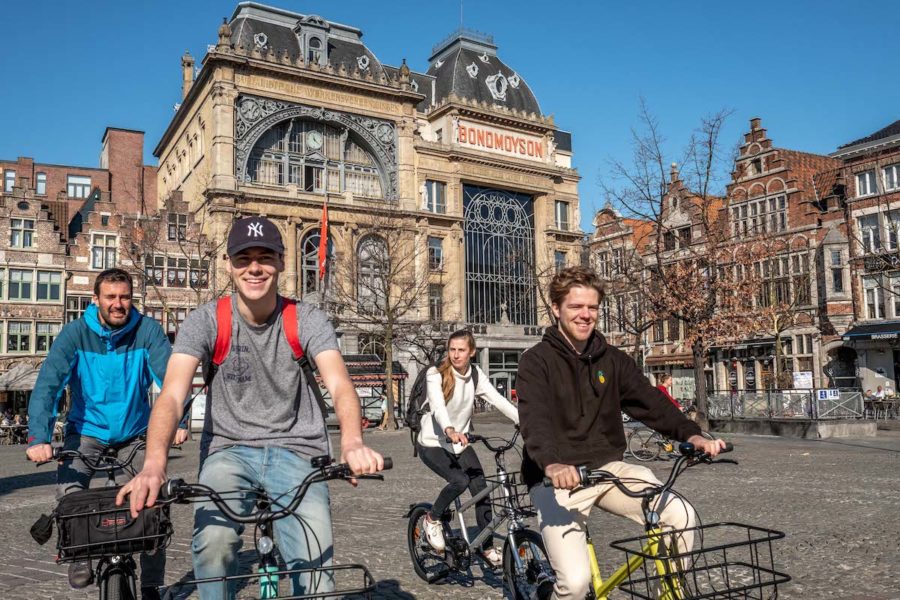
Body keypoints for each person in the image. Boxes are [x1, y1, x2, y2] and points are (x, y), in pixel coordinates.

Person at [118, 216, 384, 600]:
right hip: (228, 450)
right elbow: (172, 395)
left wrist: (352, 442)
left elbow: (340, 384)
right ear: (228, 264)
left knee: (315, 568)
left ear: (281, 262)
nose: (254, 268)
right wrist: (154, 465)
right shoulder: (206, 321)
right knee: (214, 543)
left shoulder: (306, 319)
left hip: (299, 450)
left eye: (265, 257)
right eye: (243, 258)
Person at [517, 266, 726, 600]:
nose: (585, 315)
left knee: (681, 514)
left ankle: (668, 594)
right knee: (575, 583)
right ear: (556, 308)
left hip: (607, 469)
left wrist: (692, 435)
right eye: (576, 306)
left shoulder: (612, 360)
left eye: (592, 307)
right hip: (555, 480)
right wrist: (552, 463)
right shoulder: (536, 361)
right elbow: (534, 419)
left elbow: (651, 402)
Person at [26, 268, 187, 600]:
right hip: (87, 432)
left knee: (154, 500)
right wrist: (39, 438)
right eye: (111, 297)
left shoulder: (147, 331)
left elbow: (171, 381)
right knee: (70, 492)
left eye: (125, 297)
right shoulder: (74, 334)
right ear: (95, 299)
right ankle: (79, 554)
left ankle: (151, 584)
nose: (118, 303)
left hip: (136, 433)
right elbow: (48, 386)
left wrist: (179, 423)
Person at [417, 329, 519, 567]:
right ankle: (432, 518)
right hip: (433, 442)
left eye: (461, 350)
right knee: (459, 481)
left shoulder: (475, 375)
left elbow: (498, 399)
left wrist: (523, 421)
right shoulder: (436, 373)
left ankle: (486, 546)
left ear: (472, 352)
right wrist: (449, 429)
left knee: (481, 489)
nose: (455, 354)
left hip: (459, 444)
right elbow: (437, 406)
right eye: (452, 349)